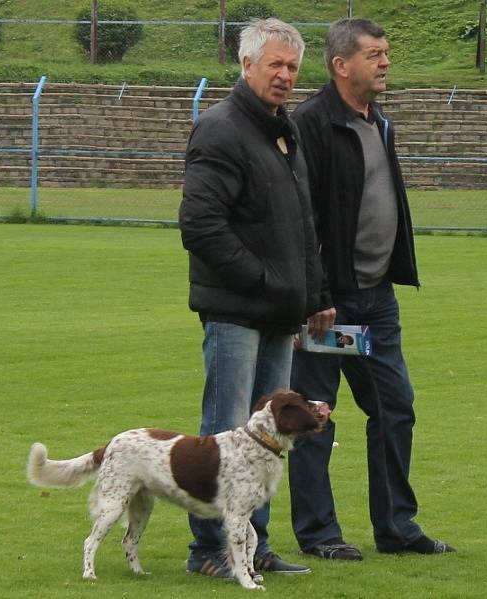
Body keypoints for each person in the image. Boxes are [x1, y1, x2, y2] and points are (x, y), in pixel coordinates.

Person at [288, 18, 456, 561]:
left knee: (394, 406)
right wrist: (314, 295)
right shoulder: (310, 124)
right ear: (341, 64)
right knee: (315, 414)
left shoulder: (378, 121)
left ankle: (396, 528)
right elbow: (301, 218)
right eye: (374, 54)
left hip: (376, 300)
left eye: (387, 53)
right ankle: (319, 535)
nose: (385, 63)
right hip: (329, 306)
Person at [178, 18, 328, 579]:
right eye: (275, 65)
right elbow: (201, 225)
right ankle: (212, 552)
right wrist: (266, 282)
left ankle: (254, 547)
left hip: (279, 312)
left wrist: (315, 294)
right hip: (237, 311)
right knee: (226, 433)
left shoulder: (283, 131)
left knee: (266, 442)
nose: (285, 76)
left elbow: (302, 225)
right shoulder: (219, 129)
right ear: (246, 66)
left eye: (292, 66)